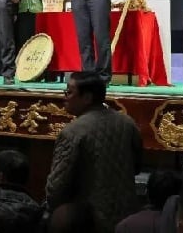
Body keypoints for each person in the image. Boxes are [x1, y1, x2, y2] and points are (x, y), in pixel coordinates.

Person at [46, 71, 142, 232]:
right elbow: (137, 167)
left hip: (88, 220)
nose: (65, 97)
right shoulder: (127, 122)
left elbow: (56, 187)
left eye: (69, 92)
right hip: (126, 217)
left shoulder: (72, 132)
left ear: (87, 98)